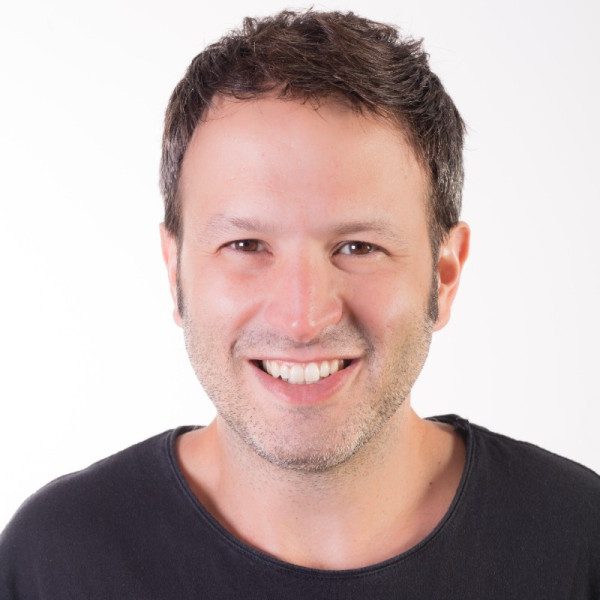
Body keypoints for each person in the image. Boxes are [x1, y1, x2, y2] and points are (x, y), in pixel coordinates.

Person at [1, 8, 599, 598]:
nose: (302, 318)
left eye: (358, 247)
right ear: (174, 271)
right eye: (245, 245)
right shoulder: (55, 561)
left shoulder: (580, 541)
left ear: (444, 275)